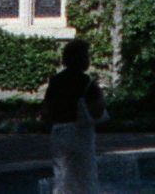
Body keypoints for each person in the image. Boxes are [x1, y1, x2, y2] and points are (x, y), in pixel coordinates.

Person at [42, 39, 109, 194]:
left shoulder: (56, 81)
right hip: (81, 134)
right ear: (82, 58)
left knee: (61, 177)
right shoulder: (87, 83)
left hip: (59, 133)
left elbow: (46, 111)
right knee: (85, 177)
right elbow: (98, 109)